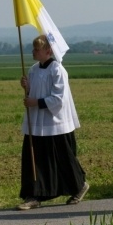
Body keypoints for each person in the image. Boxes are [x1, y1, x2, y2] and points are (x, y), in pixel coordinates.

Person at [17, 35, 89, 211]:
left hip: (54, 122)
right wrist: (26, 87)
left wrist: (37, 102)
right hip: (36, 123)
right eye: (33, 49)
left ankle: (80, 186)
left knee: (62, 158)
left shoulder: (57, 70)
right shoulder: (34, 69)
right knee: (34, 159)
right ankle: (34, 195)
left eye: (37, 49)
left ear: (48, 51)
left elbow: (58, 99)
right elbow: (33, 91)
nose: (33, 52)